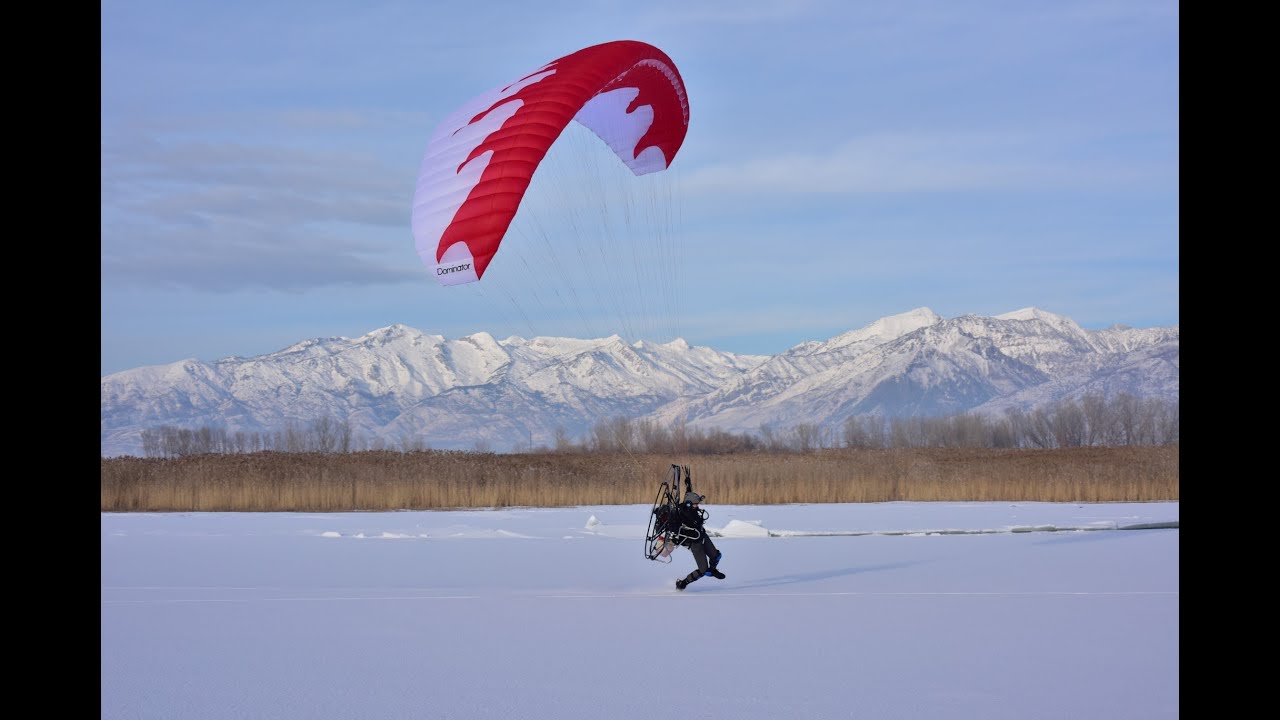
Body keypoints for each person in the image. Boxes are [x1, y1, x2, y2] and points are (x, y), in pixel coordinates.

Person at [672, 488, 725, 590]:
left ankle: (713, 570)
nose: (697, 506)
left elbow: (689, 492)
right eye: (695, 504)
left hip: (702, 535)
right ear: (688, 504)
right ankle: (683, 583)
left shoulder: (693, 509)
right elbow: (674, 527)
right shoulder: (680, 514)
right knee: (703, 569)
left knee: (716, 555)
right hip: (694, 542)